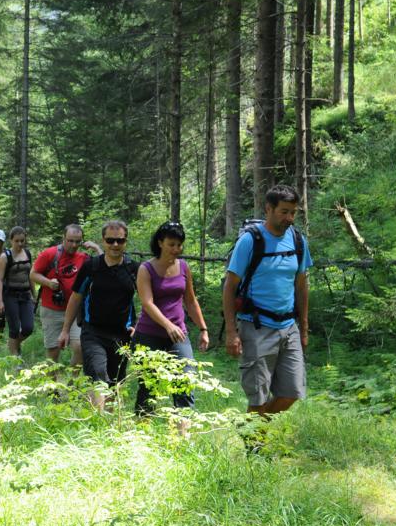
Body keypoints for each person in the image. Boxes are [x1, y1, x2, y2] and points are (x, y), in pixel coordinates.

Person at [222, 185, 313, 432]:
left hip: (288, 326)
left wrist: (303, 327)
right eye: (284, 211)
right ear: (268, 209)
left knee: (292, 392)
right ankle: (255, 450)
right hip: (256, 326)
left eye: (293, 212)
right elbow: (230, 288)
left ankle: (252, 429)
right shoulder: (251, 241)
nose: (289, 218)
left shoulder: (297, 240)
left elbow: (302, 285)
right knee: (258, 396)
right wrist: (231, 332)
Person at [132, 221, 209, 414]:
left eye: (179, 245)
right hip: (149, 335)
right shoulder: (146, 269)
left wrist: (203, 329)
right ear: (160, 243)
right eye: (171, 244)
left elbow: (190, 300)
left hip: (178, 334)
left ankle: (183, 438)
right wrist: (167, 325)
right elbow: (147, 303)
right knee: (150, 387)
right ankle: (142, 433)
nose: (176, 249)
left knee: (185, 382)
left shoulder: (183, 267)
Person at [59, 220, 139, 409]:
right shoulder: (92, 266)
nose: (115, 245)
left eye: (120, 241)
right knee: (98, 374)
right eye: (110, 240)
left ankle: (110, 423)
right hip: (93, 331)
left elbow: (147, 299)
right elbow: (76, 298)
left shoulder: (134, 268)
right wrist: (64, 330)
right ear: (103, 241)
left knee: (115, 382)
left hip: (122, 334)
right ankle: (99, 422)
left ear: (126, 241)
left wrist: (140, 325)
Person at [30, 224, 100, 367]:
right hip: (52, 310)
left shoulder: (84, 258)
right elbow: (33, 274)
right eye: (70, 240)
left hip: (75, 311)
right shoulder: (50, 254)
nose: (74, 245)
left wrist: (97, 249)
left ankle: (72, 384)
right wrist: (48, 283)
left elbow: (104, 267)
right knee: (53, 351)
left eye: (78, 241)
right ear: (63, 238)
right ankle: (53, 387)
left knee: (80, 347)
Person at [0, 226, 36, 356]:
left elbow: (31, 276)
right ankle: (15, 358)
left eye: (22, 240)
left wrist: (33, 295)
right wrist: (0, 301)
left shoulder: (28, 254)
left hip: (25, 295)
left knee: (28, 327)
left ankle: (13, 345)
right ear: (11, 240)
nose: (20, 243)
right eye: (17, 241)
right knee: (14, 328)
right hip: (10, 295)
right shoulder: (5, 256)